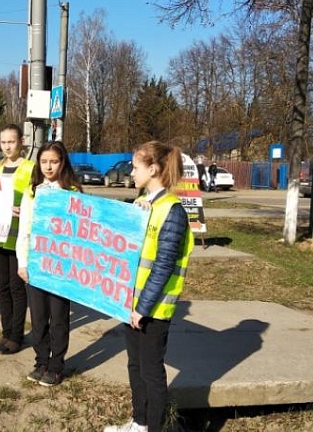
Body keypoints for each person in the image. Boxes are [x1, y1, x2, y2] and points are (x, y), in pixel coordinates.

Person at [104, 141, 194, 432]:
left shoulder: (173, 211)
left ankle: (153, 426)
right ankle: (139, 423)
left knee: (151, 372)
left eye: (135, 167)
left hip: (152, 309)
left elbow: (164, 265)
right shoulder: (143, 204)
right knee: (135, 367)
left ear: (153, 169)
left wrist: (142, 307)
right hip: (131, 304)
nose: (130, 172)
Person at [17, 141, 83, 387]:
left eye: (53, 161)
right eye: (44, 161)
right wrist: (22, 262)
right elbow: (24, 229)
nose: (48, 166)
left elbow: (81, 230)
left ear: (62, 162)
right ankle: (41, 361)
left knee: (58, 317)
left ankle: (57, 365)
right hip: (35, 263)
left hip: (61, 266)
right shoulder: (32, 190)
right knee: (39, 316)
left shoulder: (73, 191)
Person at [0, 124, 36, 355]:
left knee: (17, 287)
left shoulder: (30, 168)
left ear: (21, 142)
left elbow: (35, 199)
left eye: (11, 142)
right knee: (2, 286)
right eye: (3, 142)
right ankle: (5, 334)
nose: (7, 146)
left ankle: (17, 336)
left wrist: (23, 207)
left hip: (19, 234)